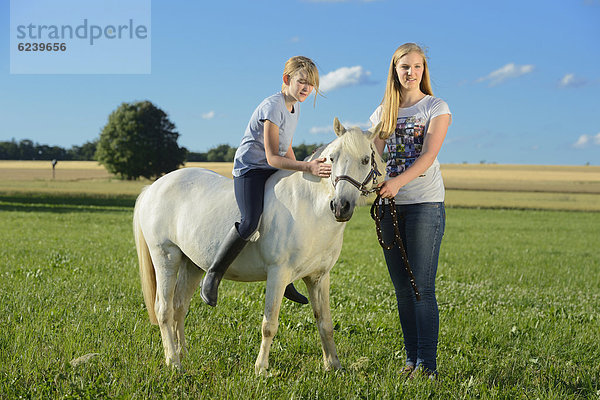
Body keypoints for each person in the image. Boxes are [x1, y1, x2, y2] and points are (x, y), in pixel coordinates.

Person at [200, 56, 332, 307]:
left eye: (311, 84)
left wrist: (300, 174)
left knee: (288, 214)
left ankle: (285, 280)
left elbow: (287, 146)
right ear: (286, 80)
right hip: (251, 169)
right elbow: (273, 157)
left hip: (272, 168)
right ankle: (214, 274)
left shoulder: (295, 107)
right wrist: (307, 165)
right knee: (251, 222)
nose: (306, 88)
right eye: (301, 82)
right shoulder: (273, 106)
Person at [369, 43, 451, 379]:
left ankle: (427, 366)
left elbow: (428, 156)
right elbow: (374, 159)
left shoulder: (436, 107)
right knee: (403, 289)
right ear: (395, 70)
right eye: (405, 67)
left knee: (422, 288)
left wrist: (397, 182)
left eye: (417, 67)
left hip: (424, 205)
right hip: (390, 206)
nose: (411, 73)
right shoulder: (381, 114)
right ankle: (411, 361)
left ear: (423, 71)